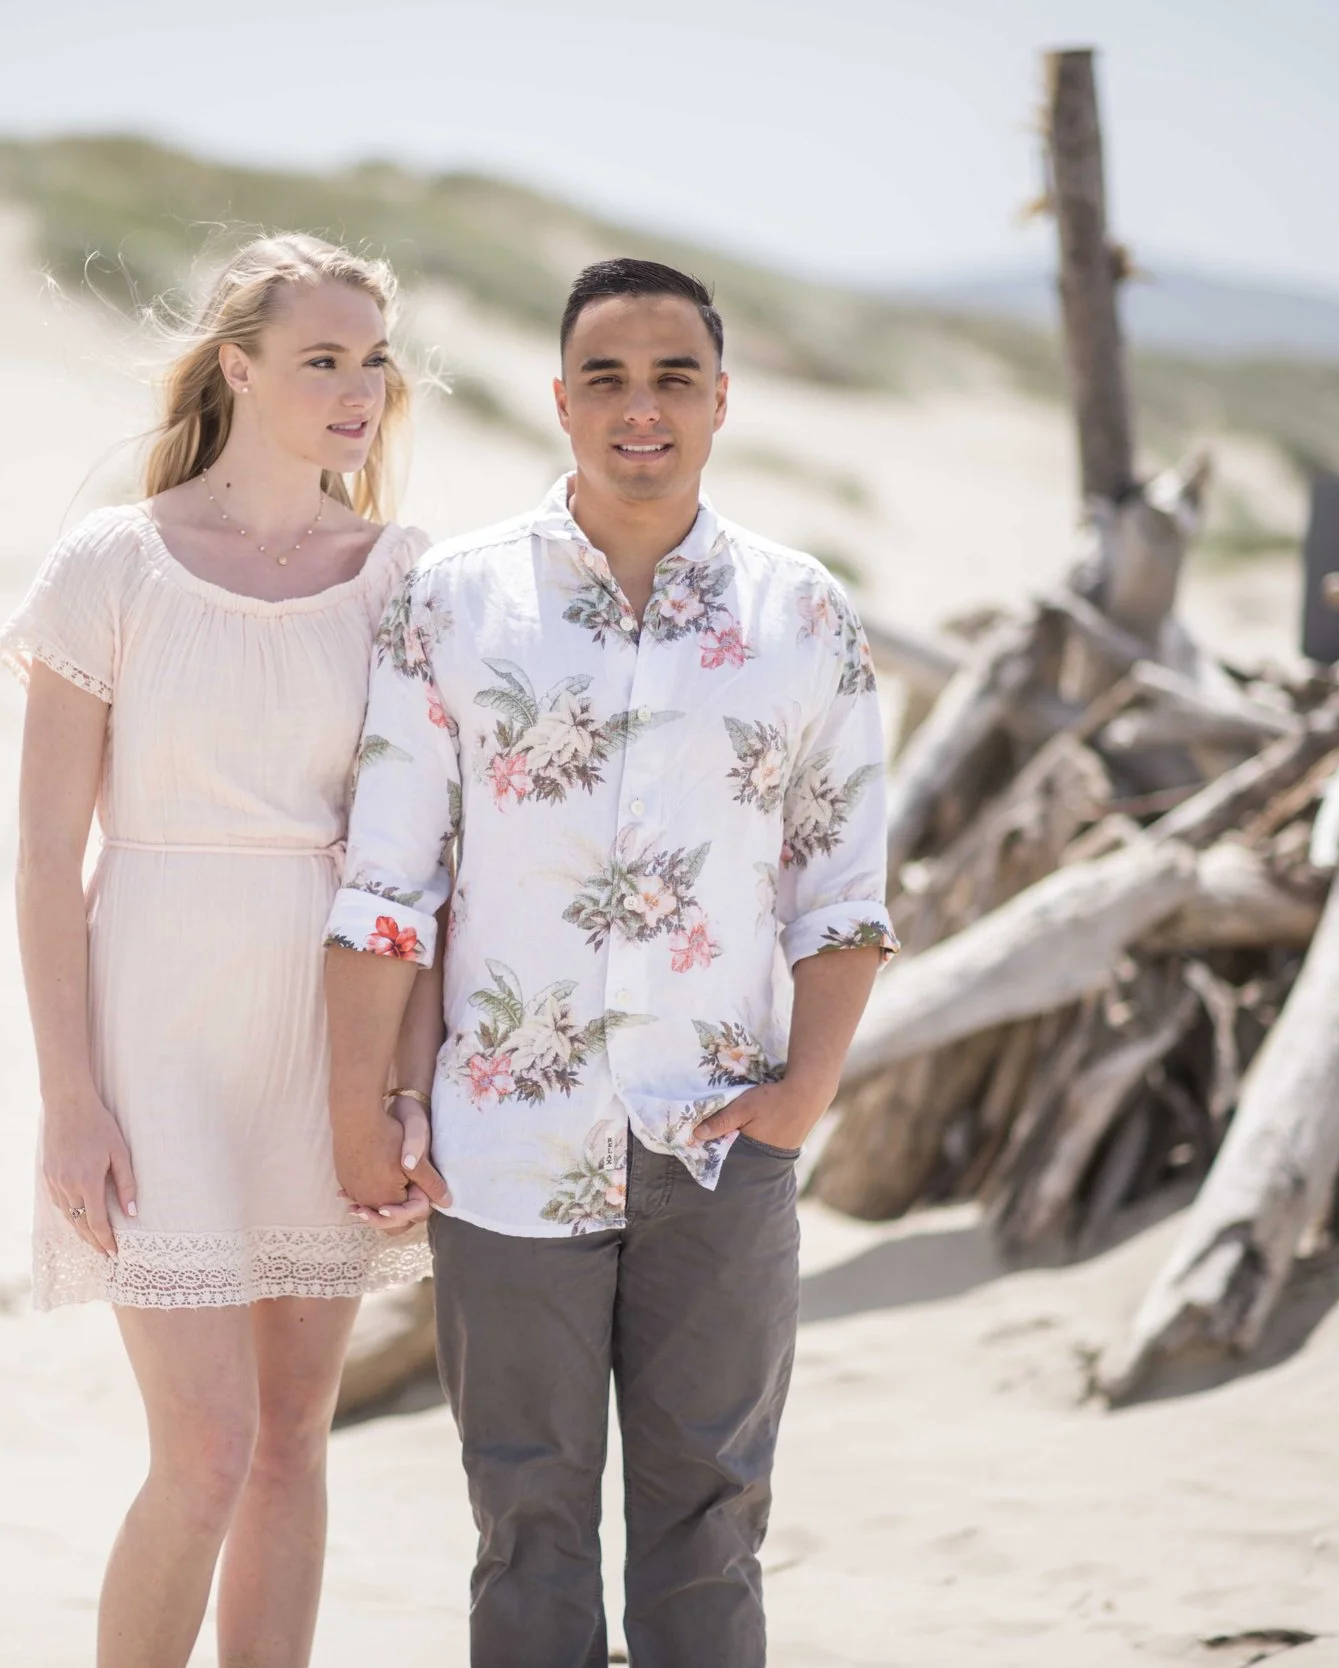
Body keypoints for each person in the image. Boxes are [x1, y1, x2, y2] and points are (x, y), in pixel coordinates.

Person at [323, 257, 895, 1668]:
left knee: (711, 1523)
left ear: (721, 401)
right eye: (611, 380)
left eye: (674, 379)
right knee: (525, 1521)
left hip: (723, 1145)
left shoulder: (804, 615)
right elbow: (390, 883)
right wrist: (362, 1110)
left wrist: (800, 1099)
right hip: (507, 1146)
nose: (643, 409)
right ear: (562, 400)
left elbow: (844, 892)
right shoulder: (452, 603)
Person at [0, 233, 449, 1668]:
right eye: (323, 358)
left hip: (328, 1040)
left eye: (373, 359)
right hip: (155, 1043)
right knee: (202, 1451)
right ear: (238, 368)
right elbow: (41, 862)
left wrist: (407, 1082)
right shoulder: (110, 566)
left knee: (289, 1448)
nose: (358, 388)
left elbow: (421, 864)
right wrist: (69, 1099)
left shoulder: (402, 580)